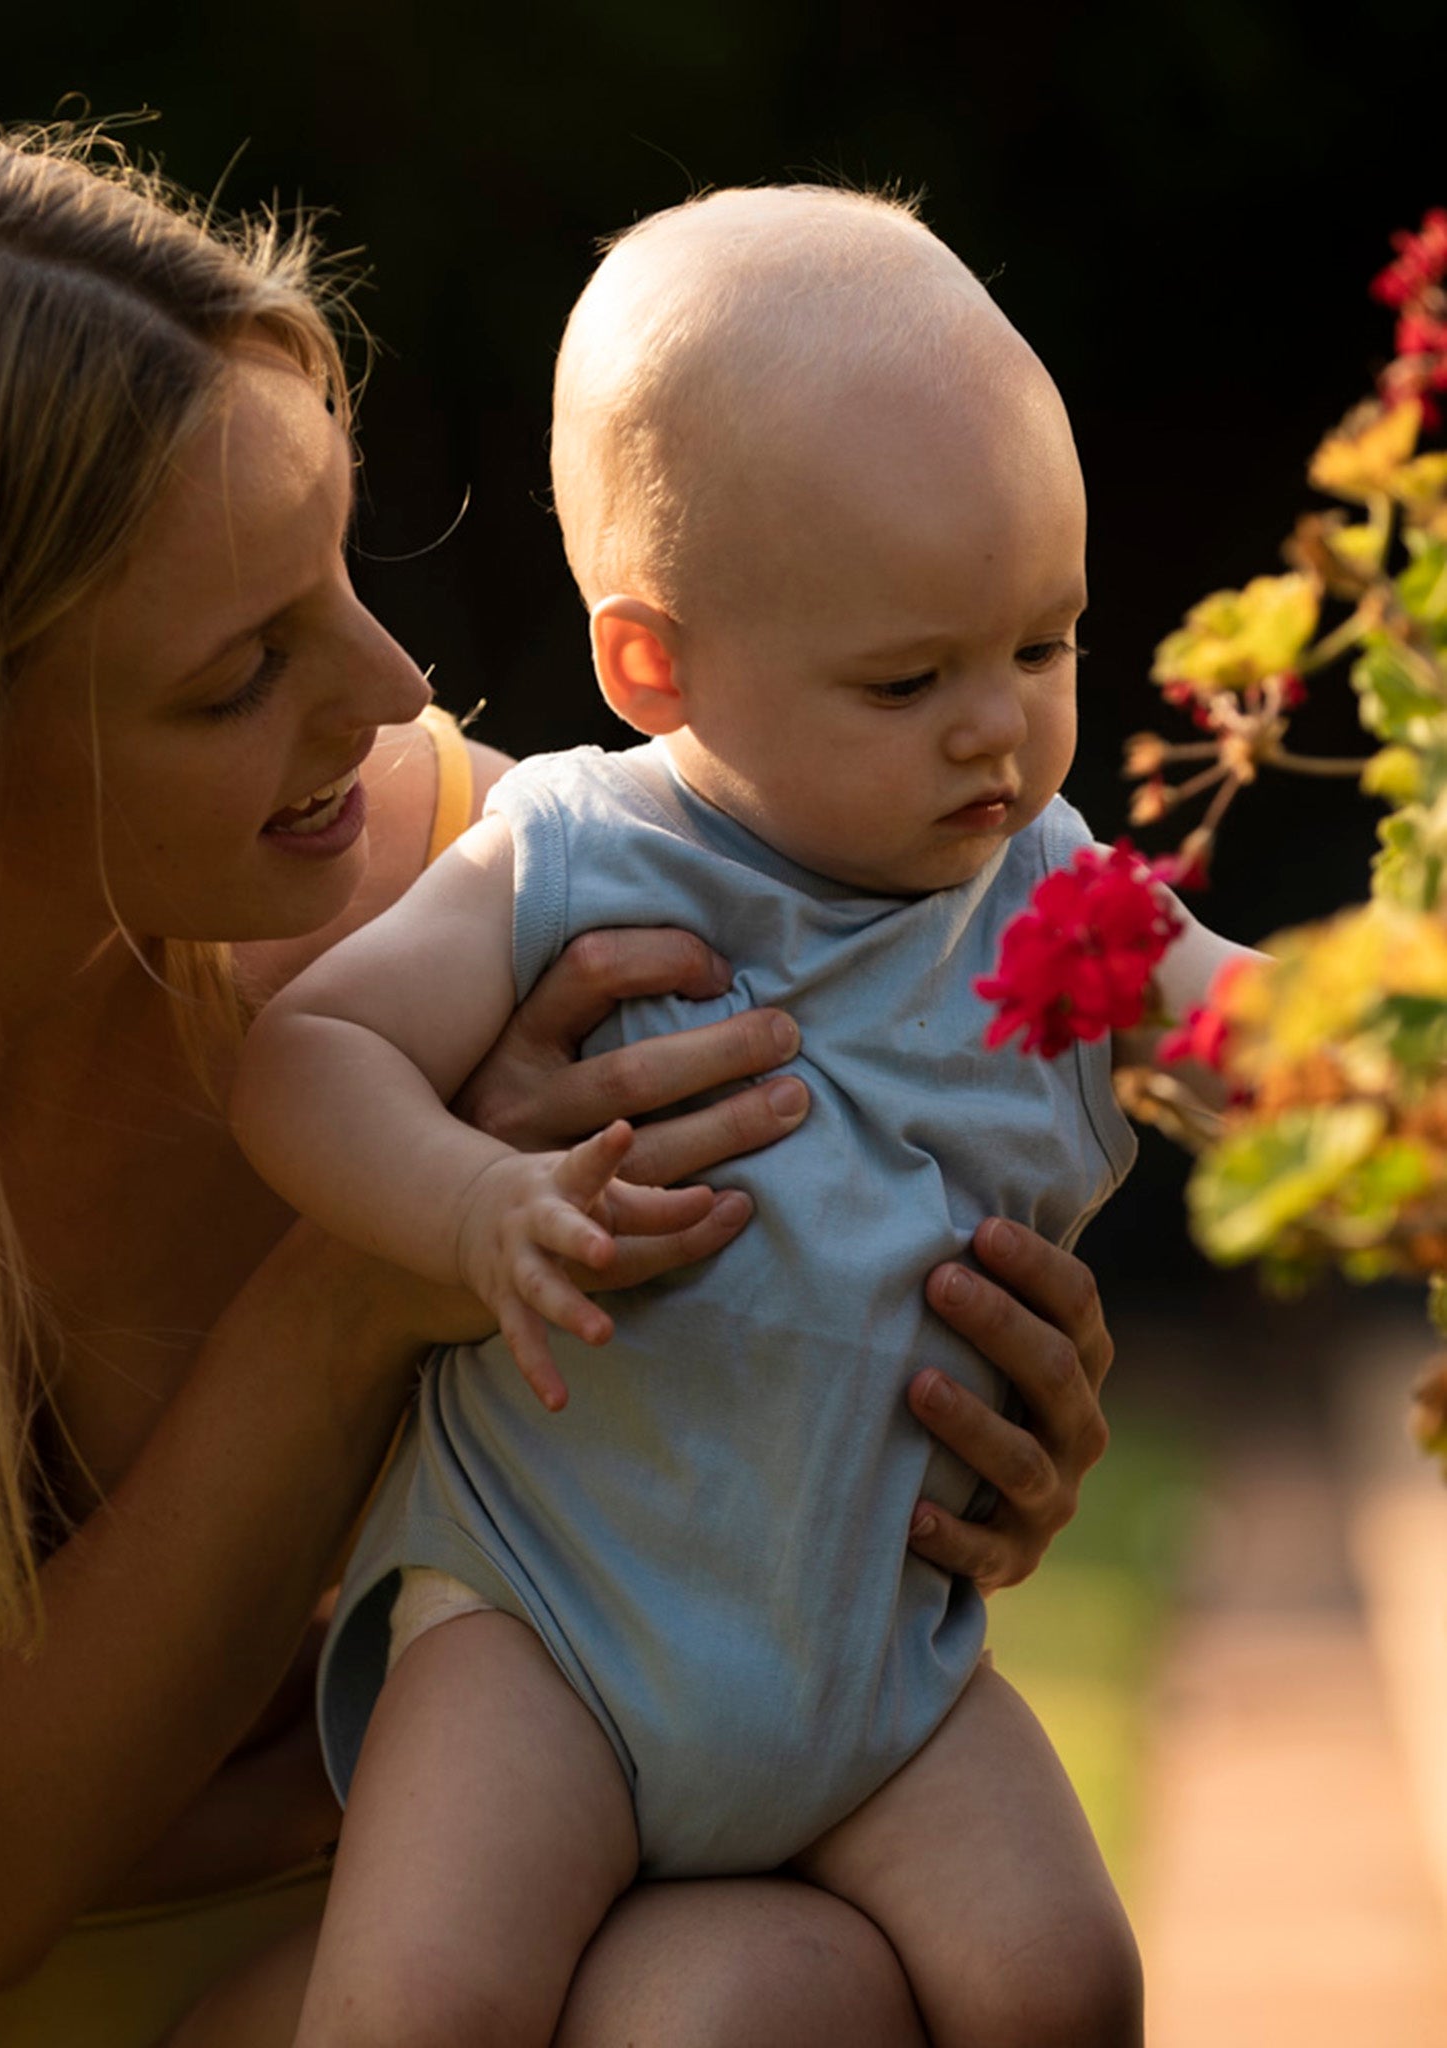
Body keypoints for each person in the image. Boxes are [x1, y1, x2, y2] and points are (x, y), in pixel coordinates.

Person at [0, 123, 1119, 2048]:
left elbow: (845, 1239)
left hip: (473, 1891)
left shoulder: (474, 884)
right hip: (30, 1983)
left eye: (333, 565)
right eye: (239, 669)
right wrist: (366, 1278)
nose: (392, 677)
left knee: (766, 1994)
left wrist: (943, 1424)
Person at [237, 186, 1255, 2048]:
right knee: (421, 2006)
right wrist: (473, 1205)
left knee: (1063, 1979)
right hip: (553, 1623)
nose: (1001, 737)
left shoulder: (1047, 891)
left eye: (1044, 646)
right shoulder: (577, 855)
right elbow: (307, 1056)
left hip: (876, 1661)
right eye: (909, 678)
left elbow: (1264, 1038)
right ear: (655, 667)